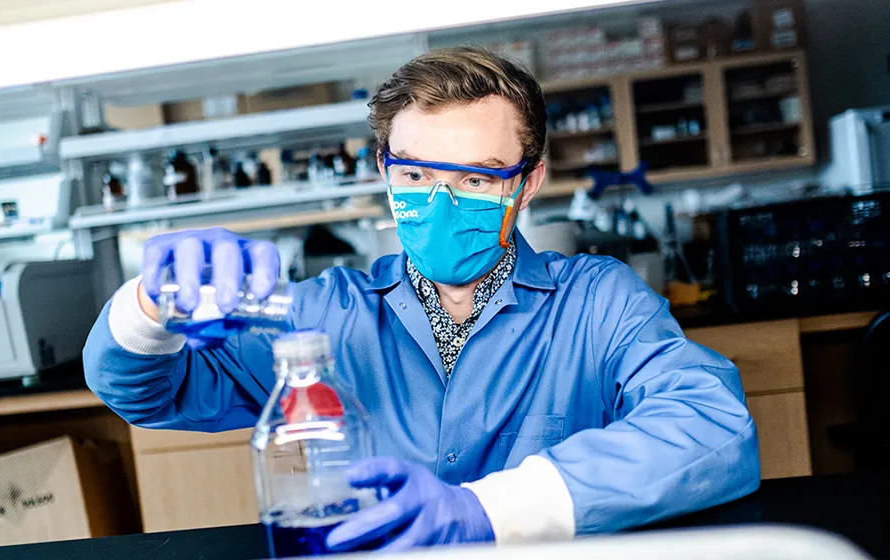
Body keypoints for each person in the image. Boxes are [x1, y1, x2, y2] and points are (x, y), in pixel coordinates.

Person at [83, 46, 760, 552]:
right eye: (414, 173)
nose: (439, 202)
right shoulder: (321, 314)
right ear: (384, 171)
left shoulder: (595, 302)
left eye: (478, 178)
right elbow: (148, 393)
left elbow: (714, 427)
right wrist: (151, 303)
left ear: (529, 183)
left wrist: (489, 511)